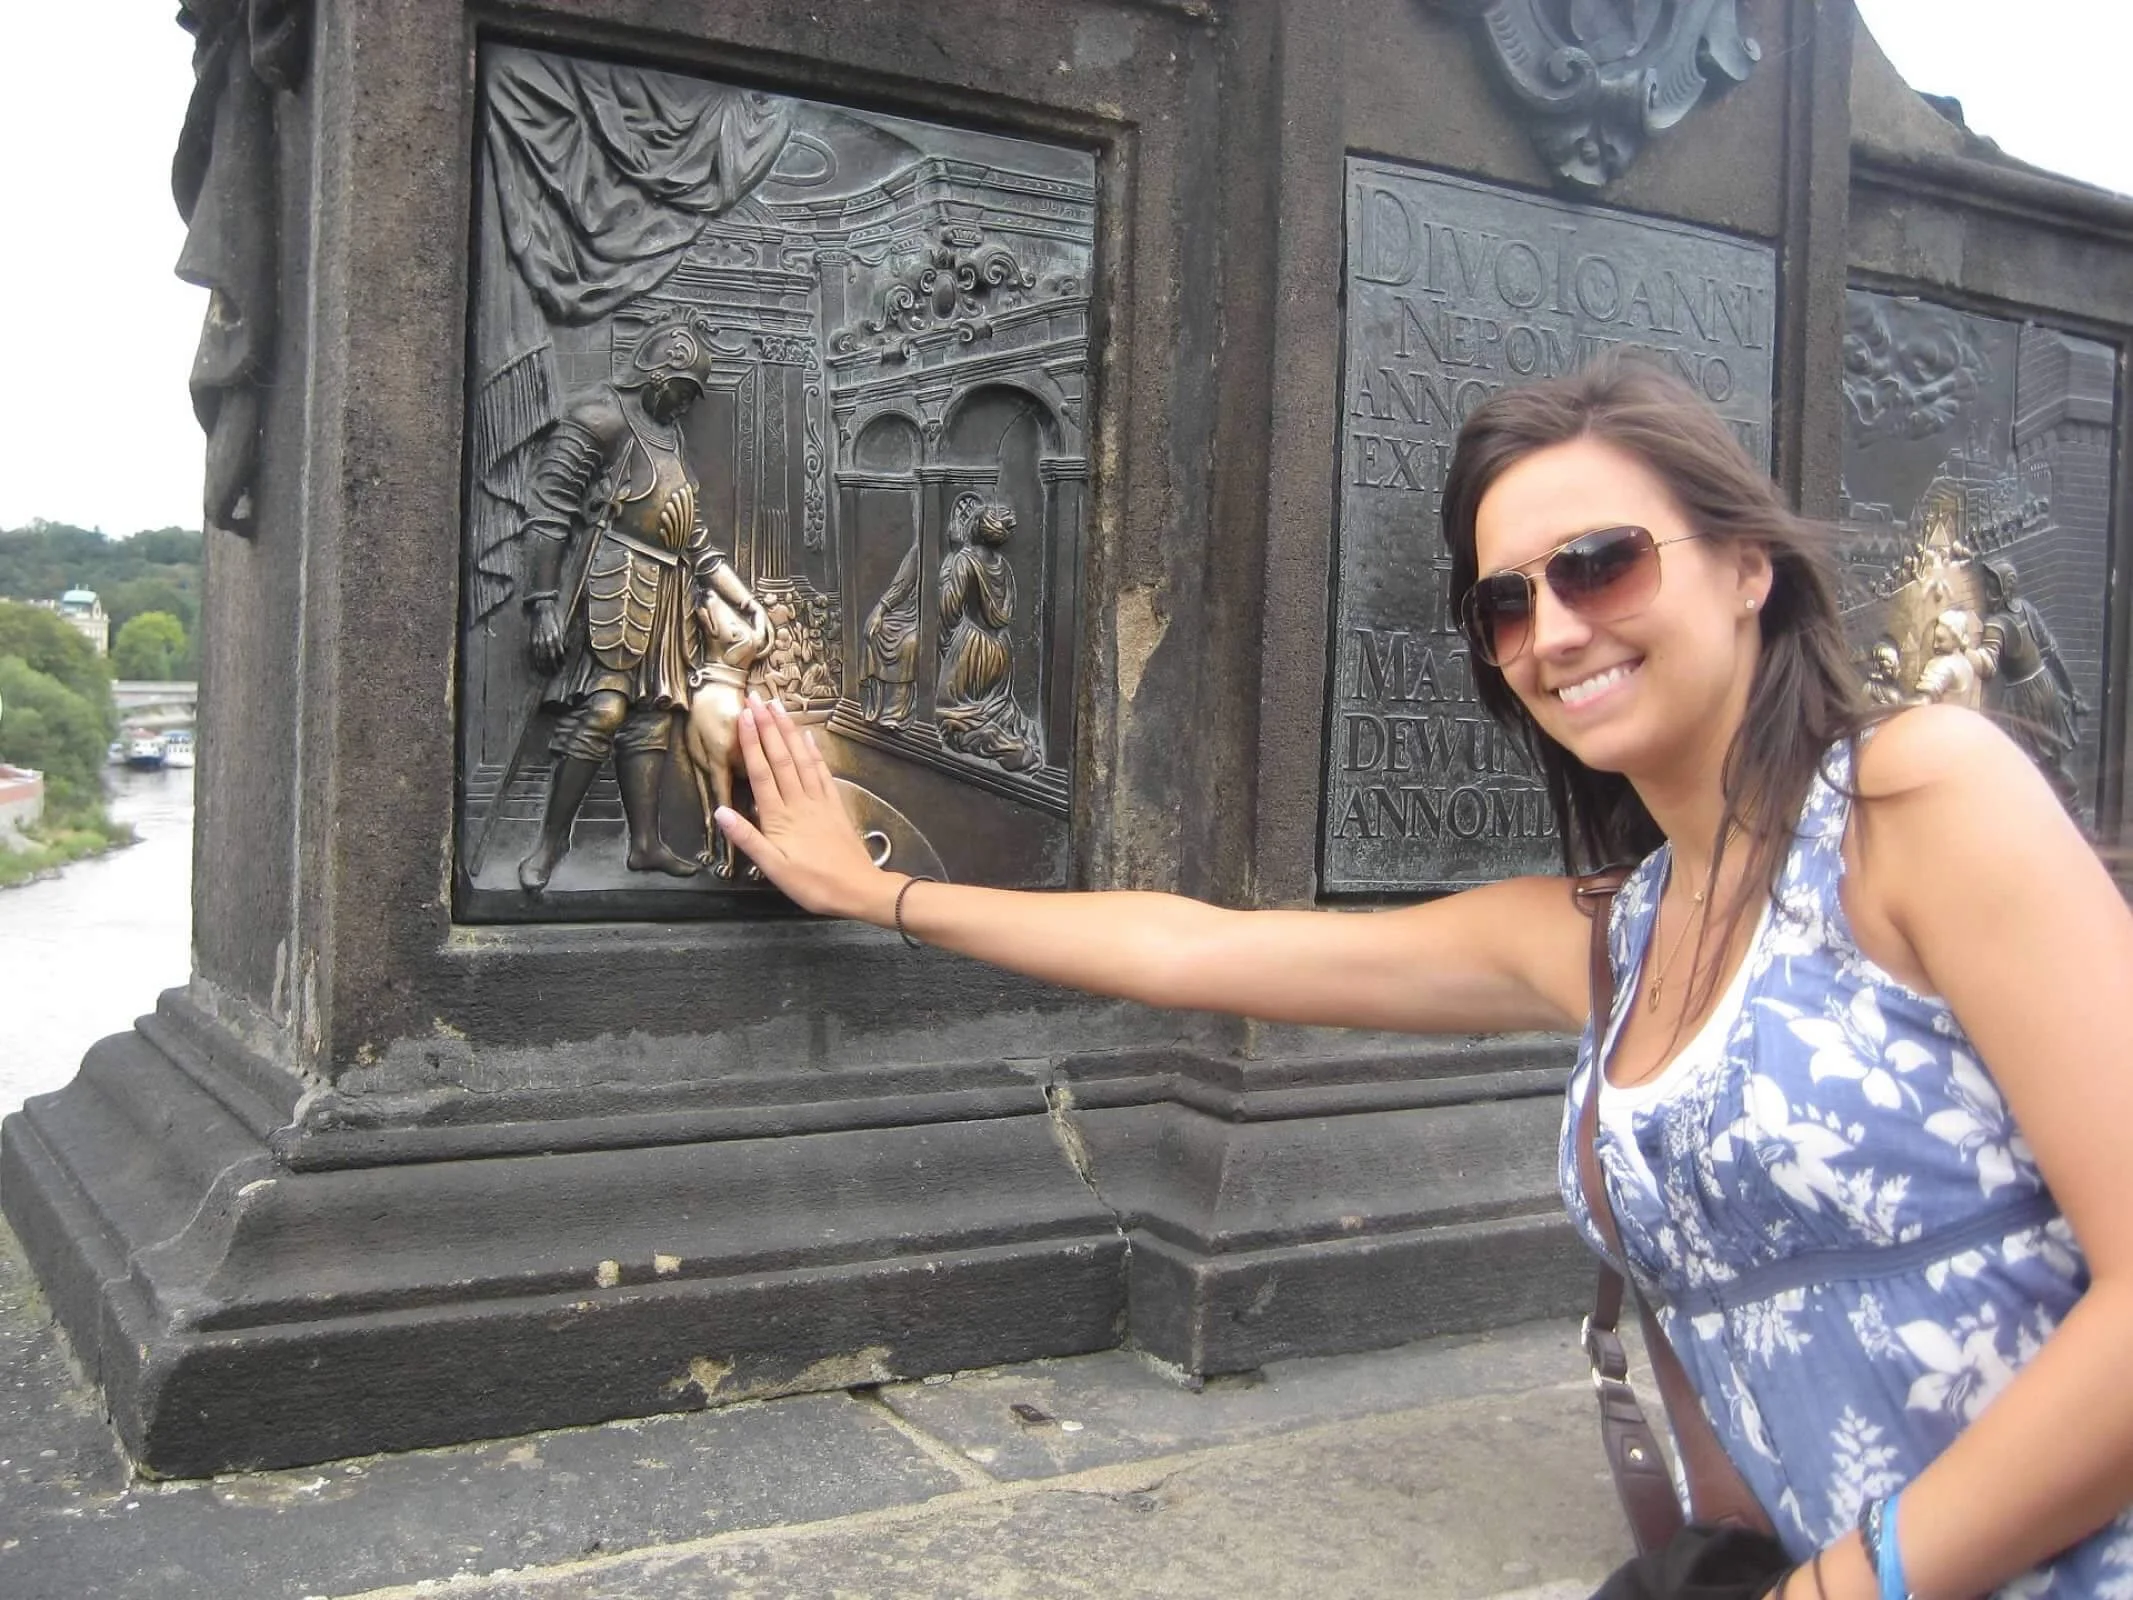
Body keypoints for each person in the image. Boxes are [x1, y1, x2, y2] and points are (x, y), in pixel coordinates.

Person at [715, 360, 2133, 1598]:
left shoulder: (1914, 801)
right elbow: (1197, 947)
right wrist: (881, 891)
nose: (1551, 630)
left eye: (1600, 562)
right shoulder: (1607, 934)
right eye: (1503, 602)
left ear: (1748, 566)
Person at [515, 313, 766, 891]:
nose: (684, 406)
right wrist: (542, 602)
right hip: (611, 579)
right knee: (602, 712)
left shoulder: (669, 435)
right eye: (682, 392)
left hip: (667, 592)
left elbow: (695, 542)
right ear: (657, 372)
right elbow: (550, 510)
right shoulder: (598, 418)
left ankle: (646, 844)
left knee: (652, 720)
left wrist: (744, 599)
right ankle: (551, 843)